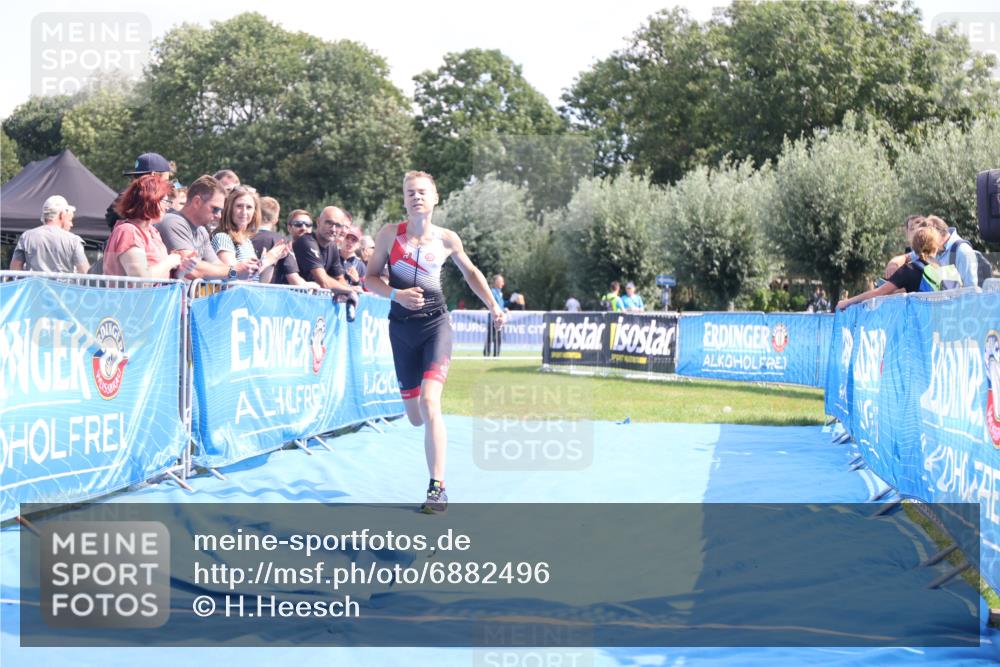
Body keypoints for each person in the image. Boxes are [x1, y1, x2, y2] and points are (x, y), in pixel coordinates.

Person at [366, 170, 505, 514]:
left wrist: (493, 305)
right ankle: (435, 477)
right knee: (415, 417)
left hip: (436, 326)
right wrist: (396, 294)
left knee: (431, 403)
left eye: (422, 192)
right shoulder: (389, 235)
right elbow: (370, 278)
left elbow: (471, 273)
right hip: (402, 329)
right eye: (410, 192)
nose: (416, 197)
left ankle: (437, 488)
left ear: (435, 198)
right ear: (404, 200)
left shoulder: (446, 239)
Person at [157, 175, 259, 280]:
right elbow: (192, 270)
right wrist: (235, 271)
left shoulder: (202, 231)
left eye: (220, 210)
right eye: (215, 209)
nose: (219, 215)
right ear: (197, 202)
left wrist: (236, 271)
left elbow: (218, 265)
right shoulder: (173, 222)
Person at [837, 226, 959, 310]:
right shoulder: (943, 270)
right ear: (936, 246)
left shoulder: (910, 270)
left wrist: (847, 302)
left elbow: (878, 293)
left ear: (914, 247)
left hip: (920, 330)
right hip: (943, 329)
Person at [103, 174, 197, 279]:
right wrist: (170, 261)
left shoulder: (153, 232)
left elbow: (159, 275)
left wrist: (181, 270)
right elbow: (140, 279)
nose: (167, 207)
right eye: (165, 202)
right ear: (151, 201)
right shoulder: (128, 232)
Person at [212, 187, 290, 283]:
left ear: (254, 212)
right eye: (239, 206)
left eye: (249, 207)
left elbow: (261, 282)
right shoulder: (222, 237)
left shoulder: (246, 241)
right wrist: (266, 261)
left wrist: (273, 259)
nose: (244, 212)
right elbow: (233, 279)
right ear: (229, 209)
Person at [10, 195, 90, 273]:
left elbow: (15, 268)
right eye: (69, 219)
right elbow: (85, 271)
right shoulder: (73, 240)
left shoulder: (26, 237)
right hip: (63, 283)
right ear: (62, 215)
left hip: (33, 282)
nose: (71, 224)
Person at [106, 152, 174, 230]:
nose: (166, 184)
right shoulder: (131, 197)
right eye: (166, 180)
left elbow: (111, 217)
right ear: (154, 175)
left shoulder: (127, 197)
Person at [292, 206, 351, 291]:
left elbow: (339, 278)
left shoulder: (332, 246)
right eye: (329, 223)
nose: (333, 229)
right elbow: (323, 282)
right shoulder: (306, 241)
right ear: (318, 222)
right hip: (289, 296)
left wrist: (349, 289)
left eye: (338, 225)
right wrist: (350, 290)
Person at [339, 225, 367, 290]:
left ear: (358, 245)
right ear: (342, 239)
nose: (349, 241)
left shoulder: (360, 265)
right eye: (347, 238)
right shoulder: (332, 256)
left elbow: (364, 289)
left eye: (354, 240)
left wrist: (356, 281)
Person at [484, 274, 506, 357]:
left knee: (497, 338)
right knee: (490, 338)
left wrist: (506, 306)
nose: (503, 283)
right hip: (493, 319)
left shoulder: (499, 293)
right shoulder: (492, 292)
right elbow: (494, 304)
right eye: (501, 281)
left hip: (498, 319)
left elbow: (500, 304)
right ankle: (487, 355)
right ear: (496, 282)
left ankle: (495, 355)